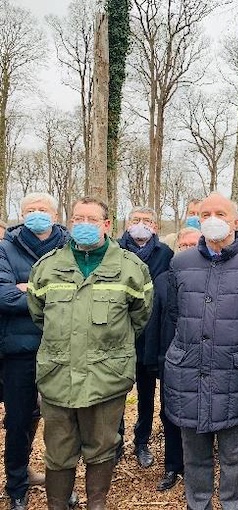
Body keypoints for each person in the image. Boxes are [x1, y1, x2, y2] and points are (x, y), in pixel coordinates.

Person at [27, 196, 153, 510]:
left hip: (105, 378)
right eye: (78, 219)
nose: (84, 225)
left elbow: (139, 317)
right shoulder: (47, 267)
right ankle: (58, 504)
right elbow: (39, 314)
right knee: (58, 451)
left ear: (107, 225)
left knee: (102, 447)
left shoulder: (130, 267)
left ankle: (97, 503)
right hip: (58, 376)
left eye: (92, 220)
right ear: (69, 224)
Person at [163, 192, 238, 510]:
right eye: (206, 214)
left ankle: (233, 505)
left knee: (235, 457)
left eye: (220, 213)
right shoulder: (181, 263)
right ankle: (197, 504)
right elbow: (177, 313)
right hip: (189, 374)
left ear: (236, 221)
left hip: (236, 376)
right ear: (198, 220)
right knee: (196, 455)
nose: (213, 219)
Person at [0, 193, 69, 510]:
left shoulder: (71, 246)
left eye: (43, 210)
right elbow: (4, 297)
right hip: (19, 351)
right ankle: (16, 484)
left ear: (55, 215)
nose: (36, 214)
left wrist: (28, 287)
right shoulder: (6, 247)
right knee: (18, 420)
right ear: (21, 213)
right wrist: (55, 292)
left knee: (64, 422)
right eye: (30, 210)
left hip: (64, 347)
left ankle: (63, 485)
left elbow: (82, 293)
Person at [144, 226, 202, 491]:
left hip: (203, 359)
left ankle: (198, 466)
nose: (189, 249)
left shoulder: (211, 277)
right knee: (170, 414)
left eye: (194, 244)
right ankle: (172, 466)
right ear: (177, 247)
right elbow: (155, 322)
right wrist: (155, 360)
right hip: (171, 359)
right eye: (185, 244)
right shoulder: (163, 280)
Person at [117, 206, 174, 468]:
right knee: (116, 393)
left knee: (147, 394)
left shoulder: (166, 254)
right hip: (119, 333)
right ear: (127, 224)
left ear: (155, 227)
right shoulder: (115, 251)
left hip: (153, 335)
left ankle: (142, 441)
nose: (141, 225)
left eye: (147, 221)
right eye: (136, 220)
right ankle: (115, 443)